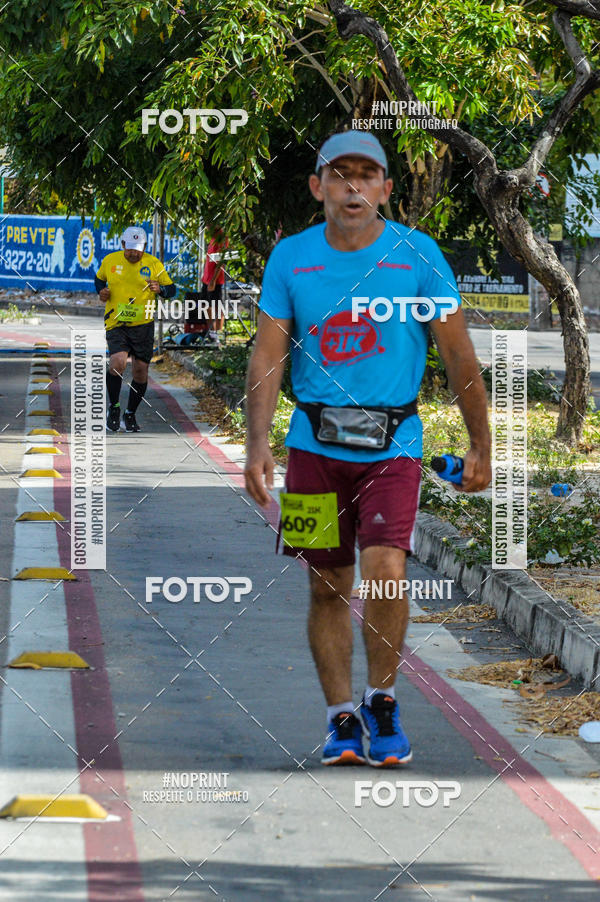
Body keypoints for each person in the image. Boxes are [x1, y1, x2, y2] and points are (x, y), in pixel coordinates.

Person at [244, 130, 492, 767]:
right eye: (339, 174)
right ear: (317, 186)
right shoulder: (291, 259)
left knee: (385, 573)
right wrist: (256, 445)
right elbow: (269, 354)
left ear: (385, 188)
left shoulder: (419, 256)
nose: (353, 187)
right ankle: (339, 720)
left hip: (395, 446)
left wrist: (480, 443)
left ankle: (382, 704)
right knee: (326, 585)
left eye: (366, 175)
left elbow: (458, 353)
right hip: (310, 448)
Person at [95, 225, 176, 432]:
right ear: (122, 245)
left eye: (138, 249)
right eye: (130, 248)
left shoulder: (153, 264)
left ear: (145, 246)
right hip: (117, 322)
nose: (134, 253)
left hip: (143, 325)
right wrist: (101, 291)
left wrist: (161, 289)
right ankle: (113, 407)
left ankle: (130, 413)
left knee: (140, 372)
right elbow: (99, 279)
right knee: (117, 363)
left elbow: (171, 289)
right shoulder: (110, 261)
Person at [200, 226, 229, 345]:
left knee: (216, 306)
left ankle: (217, 334)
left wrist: (213, 280)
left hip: (215, 281)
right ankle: (211, 333)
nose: (207, 227)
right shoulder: (212, 237)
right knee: (205, 305)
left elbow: (221, 261)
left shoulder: (222, 237)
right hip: (206, 279)